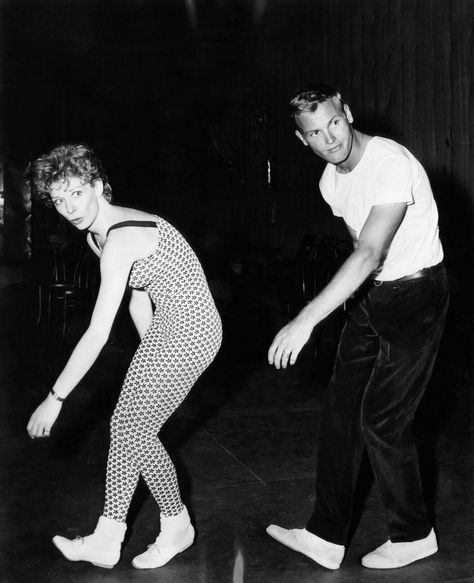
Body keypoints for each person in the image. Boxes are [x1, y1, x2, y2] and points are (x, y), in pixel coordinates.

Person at [266, 84, 448, 570]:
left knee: (382, 419)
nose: (331, 138)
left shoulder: (390, 162)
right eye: (316, 134)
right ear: (303, 141)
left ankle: (413, 535)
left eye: (334, 123)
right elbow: (360, 253)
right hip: (374, 296)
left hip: (418, 294)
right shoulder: (331, 182)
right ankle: (326, 536)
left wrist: (308, 318)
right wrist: (351, 308)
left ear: (346, 112)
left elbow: (369, 252)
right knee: (340, 410)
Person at [26, 143, 222, 570]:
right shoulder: (99, 234)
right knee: (129, 425)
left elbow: (97, 333)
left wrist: (55, 397)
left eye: (76, 193)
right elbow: (139, 297)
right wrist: (150, 356)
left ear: (97, 186)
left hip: (194, 328)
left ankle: (173, 526)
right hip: (169, 325)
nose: (68, 208)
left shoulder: (120, 239)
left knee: (130, 427)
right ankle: (111, 536)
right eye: (58, 200)